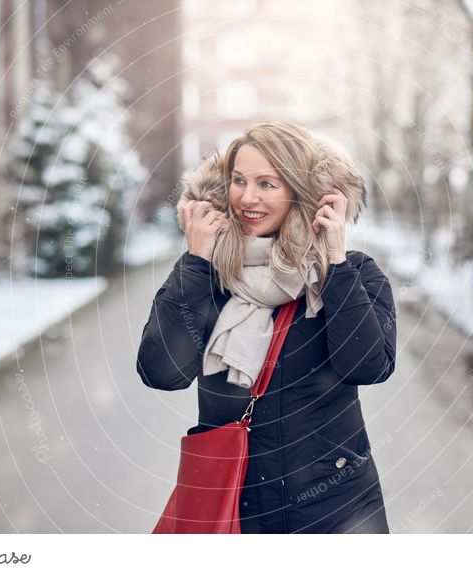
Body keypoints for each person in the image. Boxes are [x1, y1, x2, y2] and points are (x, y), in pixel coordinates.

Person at [136, 121, 397, 534]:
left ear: (300, 192)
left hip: (335, 510)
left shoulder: (354, 273)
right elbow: (162, 372)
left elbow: (366, 365)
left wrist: (335, 263)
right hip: (233, 505)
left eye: (267, 184)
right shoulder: (212, 275)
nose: (248, 197)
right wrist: (196, 261)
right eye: (238, 180)